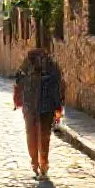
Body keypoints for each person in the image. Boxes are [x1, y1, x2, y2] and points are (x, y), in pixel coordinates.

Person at [14, 48, 64, 180]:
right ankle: (43, 165)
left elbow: (18, 82)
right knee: (44, 137)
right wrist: (58, 107)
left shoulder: (26, 66)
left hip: (31, 108)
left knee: (32, 136)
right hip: (45, 108)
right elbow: (58, 88)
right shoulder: (52, 68)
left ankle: (36, 163)